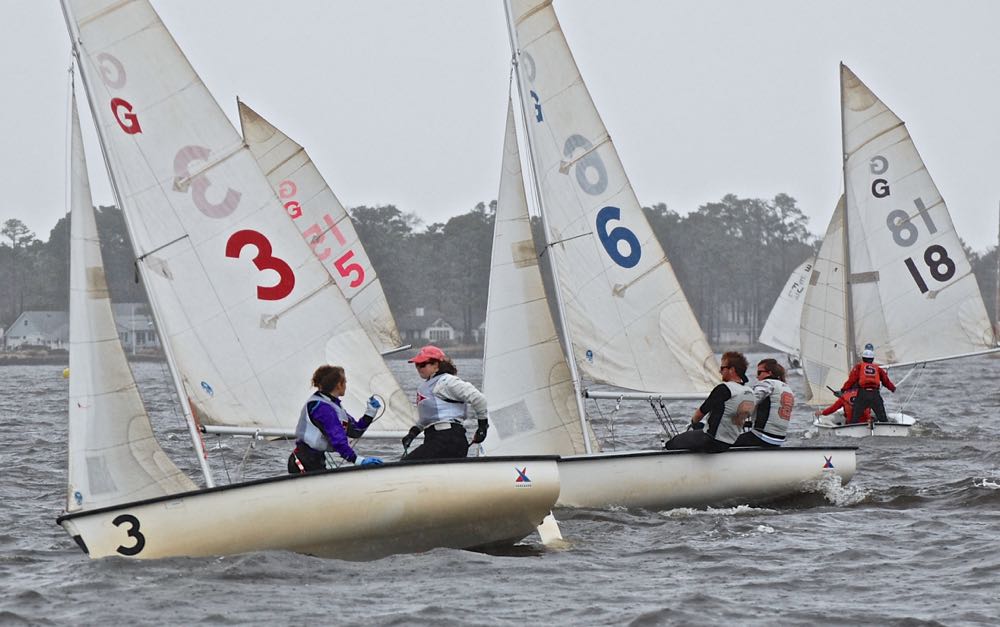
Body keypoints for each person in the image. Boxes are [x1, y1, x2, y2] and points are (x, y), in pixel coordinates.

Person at [287, 365, 383, 474]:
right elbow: (337, 439)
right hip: (304, 462)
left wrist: (370, 413)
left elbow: (355, 431)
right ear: (339, 385)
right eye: (345, 382)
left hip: (316, 460)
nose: (346, 385)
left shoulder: (332, 405)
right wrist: (357, 460)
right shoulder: (322, 408)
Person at [401, 345, 489, 460]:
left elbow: (479, 399)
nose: (418, 368)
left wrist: (482, 427)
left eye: (422, 364)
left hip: (448, 439)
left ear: (436, 365)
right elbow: (429, 418)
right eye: (416, 365)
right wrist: (413, 433)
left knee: (405, 464)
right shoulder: (426, 386)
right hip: (436, 439)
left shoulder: (447, 381)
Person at [664, 351, 755, 453]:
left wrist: (693, 423)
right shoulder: (750, 393)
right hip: (731, 440)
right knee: (700, 428)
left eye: (722, 368)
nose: (720, 372)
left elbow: (699, 414)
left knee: (672, 442)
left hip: (713, 441)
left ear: (732, 370)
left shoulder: (724, 389)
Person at [733, 358, 794, 448]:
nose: (757, 377)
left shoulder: (767, 384)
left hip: (763, 437)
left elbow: (749, 402)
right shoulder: (787, 388)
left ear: (769, 373)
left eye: (759, 373)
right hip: (779, 439)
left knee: (723, 440)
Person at [840, 343, 896, 423]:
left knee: (855, 418)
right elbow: (886, 381)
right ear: (872, 359)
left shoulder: (859, 367)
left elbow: (851, 380)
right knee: (883, 419)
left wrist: (843, 389)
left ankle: (853, 427)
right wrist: (893, 388)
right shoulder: (878, 369)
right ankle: (886, 427)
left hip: (863, 394)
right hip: (875, 394)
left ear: (863, 358)